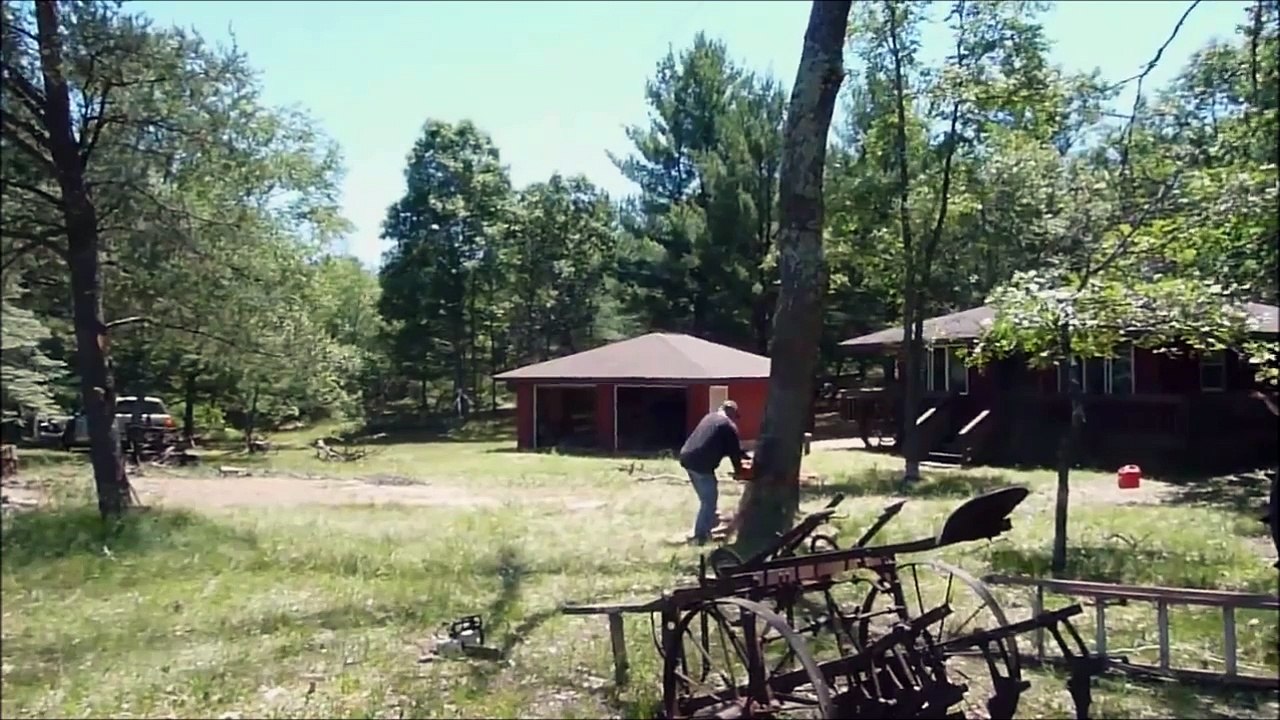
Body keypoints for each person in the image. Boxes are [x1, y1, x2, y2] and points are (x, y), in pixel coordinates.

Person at [679, 400, 748, 545]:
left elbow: (733, 449)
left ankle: (710, 524)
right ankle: (699, 536)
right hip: (701, 463)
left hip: (687, 457)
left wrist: (745, 456)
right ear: (732, 413)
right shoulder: (728, 426)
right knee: (709, 501)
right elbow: (734, 453)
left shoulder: (710, 418)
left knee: (708, 497)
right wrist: (740, 471)